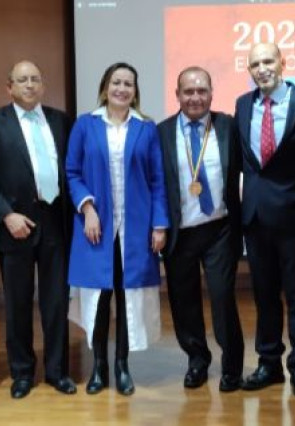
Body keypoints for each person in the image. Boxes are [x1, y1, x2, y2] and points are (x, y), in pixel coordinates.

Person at [65, 62, 169, 396]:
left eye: (128, 84)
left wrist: (159, 224)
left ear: (135, 91)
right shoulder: (85, 125)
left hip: (136, 231)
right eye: (116, 82)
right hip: (95, 229)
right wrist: (88, 208)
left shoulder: (146, 128)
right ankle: (99, 368)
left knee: (128, 298)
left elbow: (157, 180)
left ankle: (122, 366)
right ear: (105, 87)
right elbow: (72, 173)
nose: (122, 89)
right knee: (100, 297)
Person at [0, 60, 76, 399]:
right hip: (15, 226)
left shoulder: (60, 120)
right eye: (22, 80)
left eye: (35, 79)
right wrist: (6, 215)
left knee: (56, 304)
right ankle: (21, 373)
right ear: (9, 87)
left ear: (43, 85)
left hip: (56, 225)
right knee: (17, 305)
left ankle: (57, 370)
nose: (30, 85)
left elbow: (71, 171)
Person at [234, 42, 295, 397]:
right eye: (255, 63)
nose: (262, 68)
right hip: (255, 219)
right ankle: (268, 363)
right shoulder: (243, 105)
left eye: (268, 60)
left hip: (294, 219)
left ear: (283, 63)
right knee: (264, 295)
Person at [158, 66, 244, 392]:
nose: (195, 97)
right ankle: (197, 360)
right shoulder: (161, 132)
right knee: (184, 300)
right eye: (188, 91)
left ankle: (232, 366)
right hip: (181, 231)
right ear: (177, 95)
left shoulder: (228, 127)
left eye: (201, 91)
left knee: (223, 298)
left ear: (211, 93)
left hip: (220, 228)